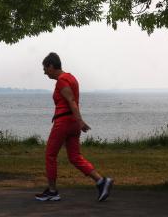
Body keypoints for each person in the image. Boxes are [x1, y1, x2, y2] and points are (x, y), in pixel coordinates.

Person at [35, 52, 113, 202]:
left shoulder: (62, 81)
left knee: (50, 155)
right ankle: (101, 181)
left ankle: (52, 191)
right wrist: (77, 122)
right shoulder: (71, 78)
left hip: (63, 122)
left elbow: (71, 101)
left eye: (45, 69)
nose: (44, 72)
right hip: (72, 123)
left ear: (51, 66)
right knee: (75, 157)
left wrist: (81, 121)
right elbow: (73, 101)